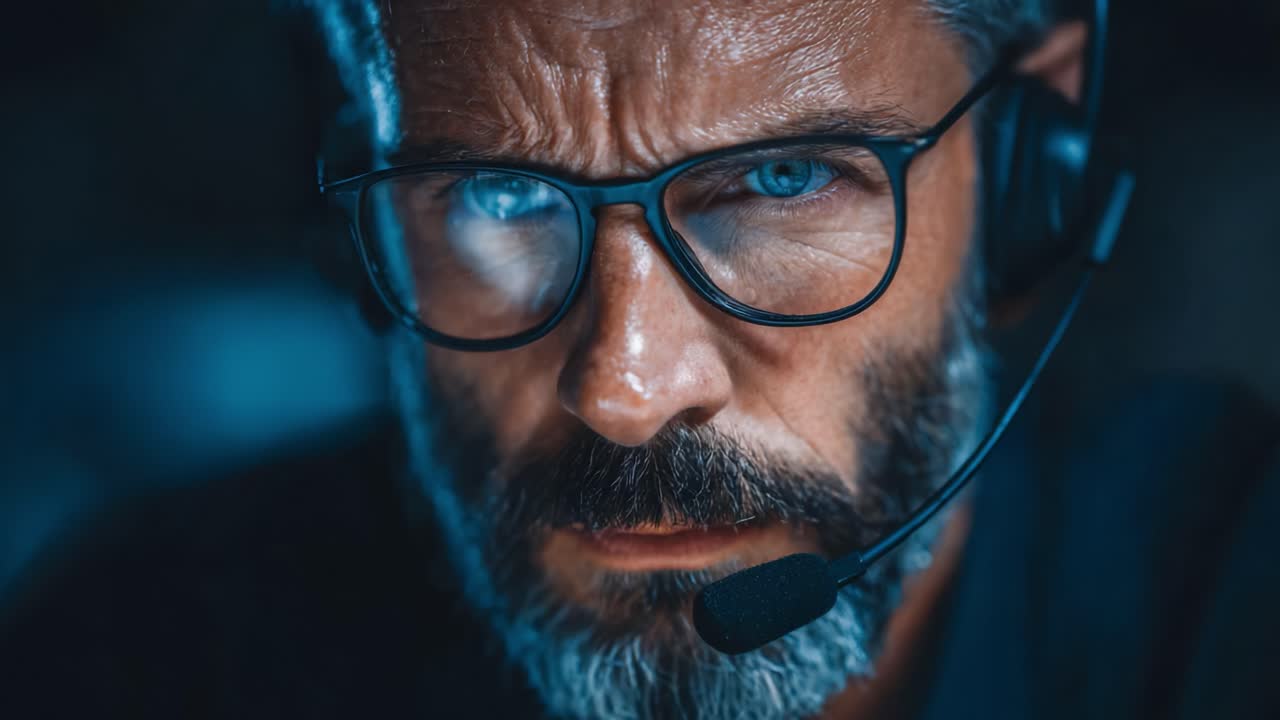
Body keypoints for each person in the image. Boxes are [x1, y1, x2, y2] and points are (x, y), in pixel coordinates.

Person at [2, 1, 1277, 719]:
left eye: (780, 181)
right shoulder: (142, 657)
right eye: (498, 196)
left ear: (1020, 173)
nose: (624, 388)